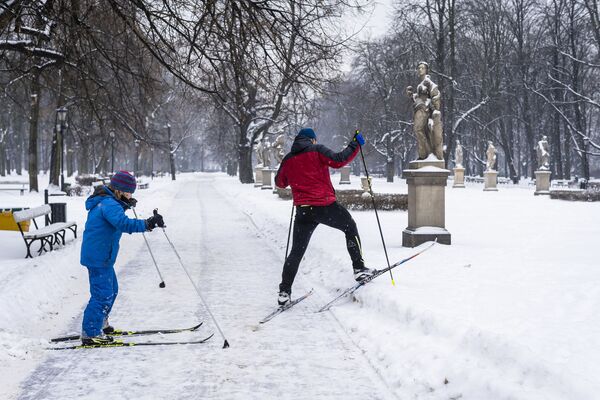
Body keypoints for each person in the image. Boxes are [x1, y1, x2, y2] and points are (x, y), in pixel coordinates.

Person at [274, 128, 374, 306]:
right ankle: (359, 268)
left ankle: (284, 291)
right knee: (350, 227)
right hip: (325, 206)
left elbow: (280, 183)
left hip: (303, 211)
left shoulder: (289, 158)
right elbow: (339, 160)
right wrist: (355, 144)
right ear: (312, 140)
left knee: (296, 252)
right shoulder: (317, 150)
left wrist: (294, 174)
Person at [80, 170, 165, 345]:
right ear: (118, 190)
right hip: (98, 257)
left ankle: (100, 322)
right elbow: (122, 223)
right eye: (128, 192)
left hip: (103, 256)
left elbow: (117, 218)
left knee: (112, 290)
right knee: (102, 295)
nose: (130, 195)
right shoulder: (109, 204)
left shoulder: (111, 202)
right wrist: (147, 223)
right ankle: (90, 333)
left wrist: (125, 204)